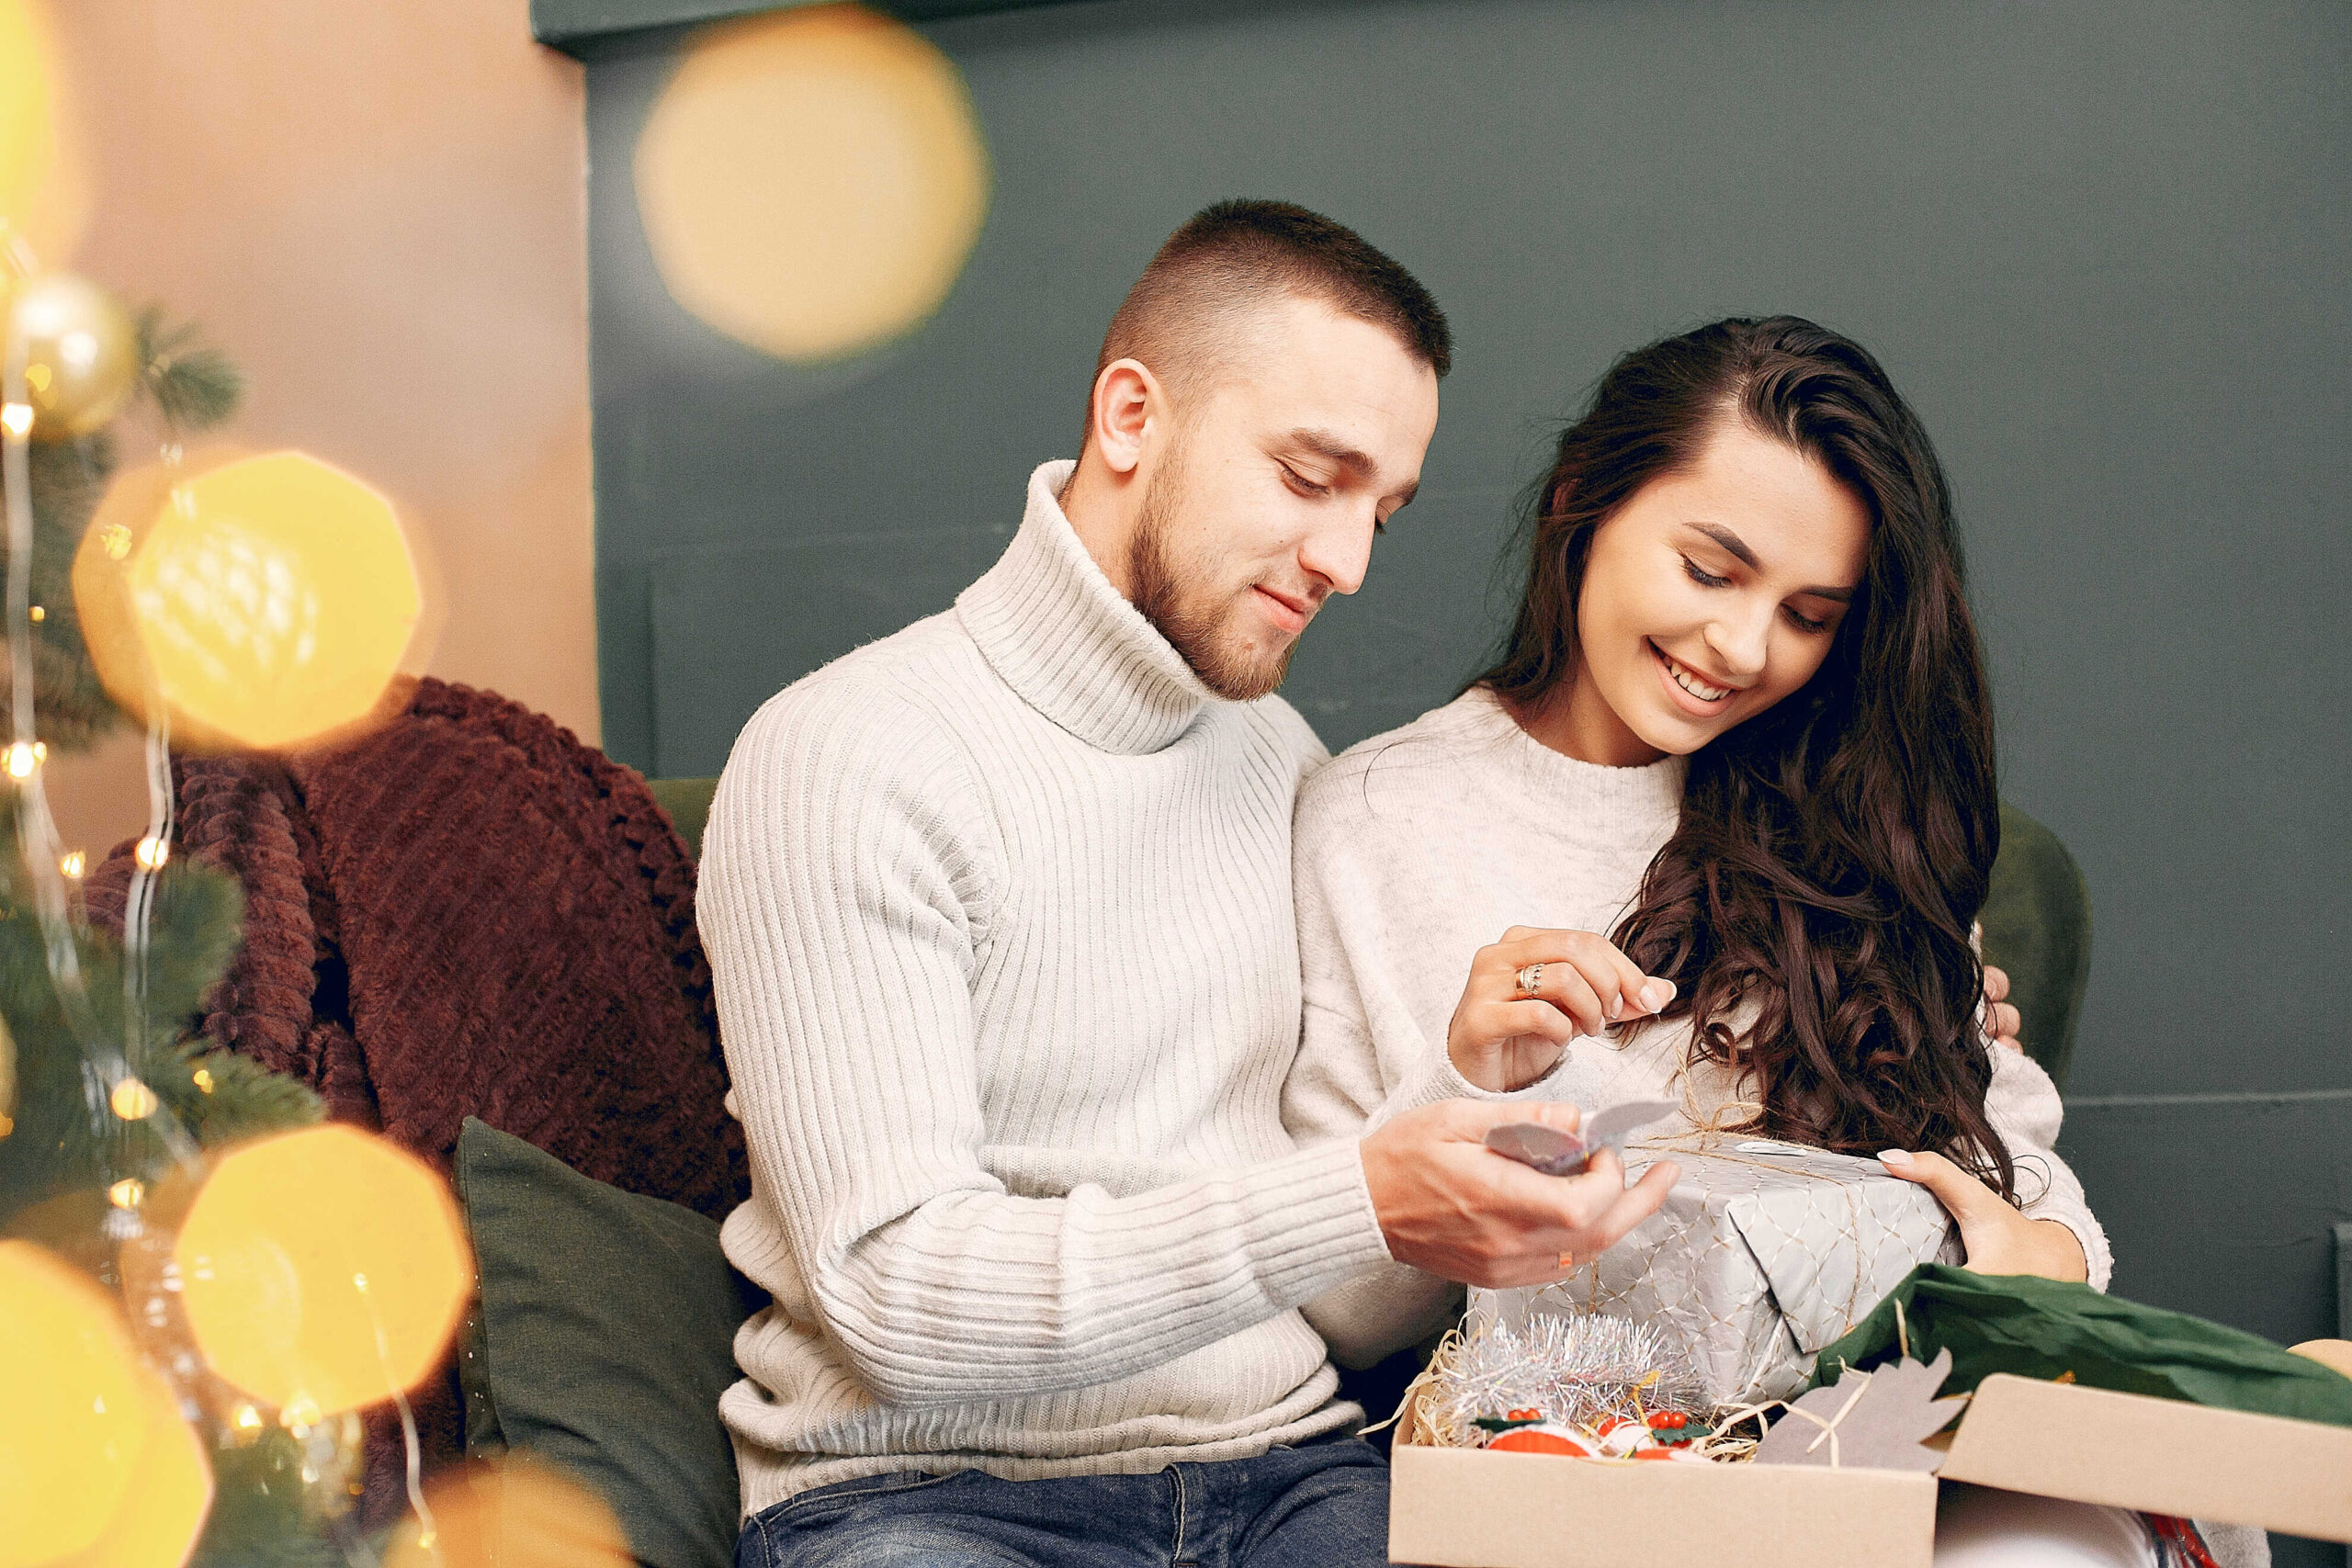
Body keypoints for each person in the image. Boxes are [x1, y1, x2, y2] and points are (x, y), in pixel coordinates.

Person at [699, 200, 1681, 1568]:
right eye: (1308, 476)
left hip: (1288, 1472)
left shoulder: (1277, 758)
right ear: (1130, 417)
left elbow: (1327, 1288)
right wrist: (1359, 1193)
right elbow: (896, 1294)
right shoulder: (846, 758)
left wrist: (1470, 1103)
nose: (1344, 562)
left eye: (1380, 513)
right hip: (924, 1498)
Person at [1287, 316, 2155, 1561]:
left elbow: (2009, 1163)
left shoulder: (1863, 814)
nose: (1744, 651)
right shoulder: (1374, 819)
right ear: (1585, 500)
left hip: (1890, 1446)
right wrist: (1473, 1087)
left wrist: (2052, 1250)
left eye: (1809, 614)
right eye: (1709, 570)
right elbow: (1344, 1315)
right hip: (1572, 1486)